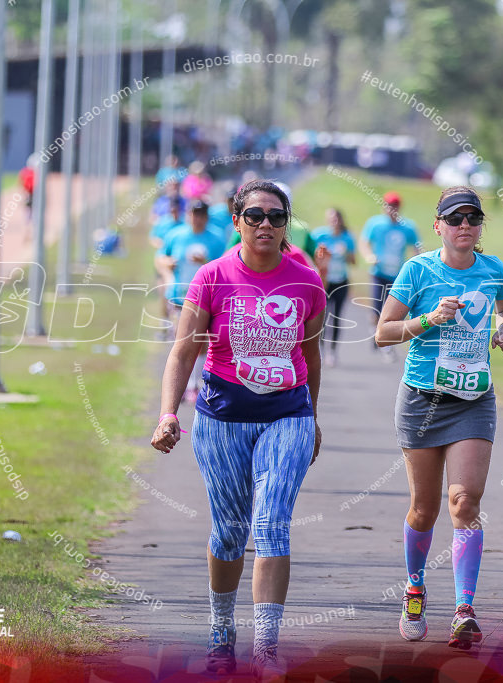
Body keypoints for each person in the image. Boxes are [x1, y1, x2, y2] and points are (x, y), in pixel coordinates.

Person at [150, 180, 325, 680]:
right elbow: (183, 351)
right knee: (229, 532)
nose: (265, 224)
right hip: (222, 418)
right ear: (237, 221)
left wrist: (311, 417)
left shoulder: (306, 281)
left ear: (286, 222)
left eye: (275, 216)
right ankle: (221, 633)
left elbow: (311, 357)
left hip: (287, 414)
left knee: (271, 525)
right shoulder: (212, 276)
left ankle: (266, 649)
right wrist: (168, 415)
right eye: (255, 216)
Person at [374, 186, 503, 649]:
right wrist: (431, 318)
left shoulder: (493, 270)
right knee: (425, 508)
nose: (464, 227)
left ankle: (463, 609)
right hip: (422, 401)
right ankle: (415, 589)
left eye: (473, 219)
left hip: (474, 400)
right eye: (454, 219)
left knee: (465, 502)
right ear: (437, 225)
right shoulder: (419, 271)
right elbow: (383, 333)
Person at [155, 200, 226, 402]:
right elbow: (160, 257)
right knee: (182, 338)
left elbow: (225, 265)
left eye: (202, 215)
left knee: (201, 340)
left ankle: (195, 384)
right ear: (189, 215)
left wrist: (205, 263)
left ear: (207, 216)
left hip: (207, 297)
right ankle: (181, 383)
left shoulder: (216, 238)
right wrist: (166, 263)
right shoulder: (176, 235)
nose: (197, 219)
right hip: (179, 295)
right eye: (194, 214)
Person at [359, 192, 421, 361]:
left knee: (394, 312)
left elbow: (417, 248)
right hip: (379, 272)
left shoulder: (408, 227)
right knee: (376, 309)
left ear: (399, 208)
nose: (391, 209)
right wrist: (369, 256)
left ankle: (387, 344)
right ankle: (376, 331)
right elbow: (364, 242)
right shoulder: (375, 224)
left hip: (398, 275)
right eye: (388, 205)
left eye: (394, 206)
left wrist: (417, 266)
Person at [311, 208, 356, 367]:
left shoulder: (347, 238)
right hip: (324, 282)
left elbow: (353, 261)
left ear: (341, 219)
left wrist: (345, 253)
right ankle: (320, 348)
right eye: (331, 218)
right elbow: (311, 256)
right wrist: (320, 253)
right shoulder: (319, 235)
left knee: (336, 317)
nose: (334, 221)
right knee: (321, 317)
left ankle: (333, 351)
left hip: (341, 281)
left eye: (336, 218)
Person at [227, 182, 316, 260]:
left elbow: (315, 255)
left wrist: (322, 272)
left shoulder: (304, 270)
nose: (266, 224)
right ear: (236, 223)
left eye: (277, 216)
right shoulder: (215, 275)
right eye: (255, 216)